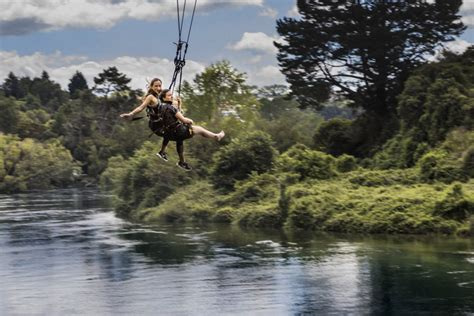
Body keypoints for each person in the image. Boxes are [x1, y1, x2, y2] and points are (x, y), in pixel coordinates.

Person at [157, 88, 225, 171]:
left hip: (169, 134)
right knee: (199, 129)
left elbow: (174, 116)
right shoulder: (171, 108)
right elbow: (183, 119)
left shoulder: (161, 108)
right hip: (178, 131)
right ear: (164, 98)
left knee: (179, 140)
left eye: (172, 95)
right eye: (169, 96)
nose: (171, 97)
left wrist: (179, 105)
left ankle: (181, 161)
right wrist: (190, 121)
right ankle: (216, 136)